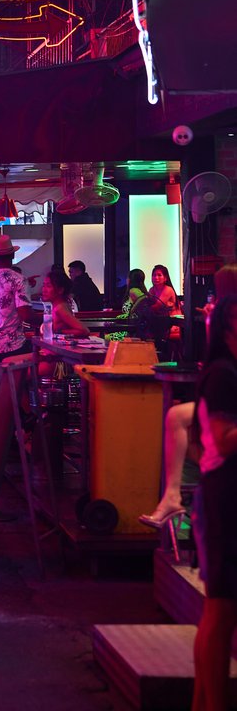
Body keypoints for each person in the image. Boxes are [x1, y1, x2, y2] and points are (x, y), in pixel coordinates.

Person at [139, 265, 237, 530]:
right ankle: (173, 495)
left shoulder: (225, 314)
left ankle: (178, 494)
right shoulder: (221, 316)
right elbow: (219, 351)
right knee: (177, 415)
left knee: (183, 416)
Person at [191, 295, 237, 711]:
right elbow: (223, 441)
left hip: (222, 493)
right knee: (221, 611)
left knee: (221, 611)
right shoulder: (223, 374)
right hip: (223, 497)